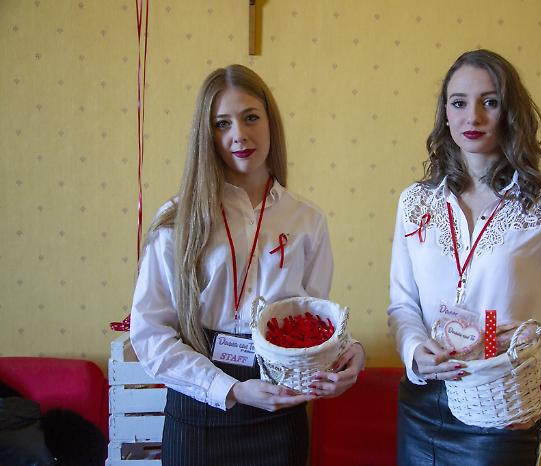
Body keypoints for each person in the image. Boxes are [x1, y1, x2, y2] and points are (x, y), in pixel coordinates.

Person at [130, 64, 365, 466]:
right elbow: (150, 333)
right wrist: (231, 390)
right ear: (206, 135)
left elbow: (311, 320)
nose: (239, 134)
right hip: (198, 410)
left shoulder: (307, 221)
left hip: (279, 411)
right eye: (222, 124)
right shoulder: (177, 220)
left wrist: (349, 352)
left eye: (250, 117)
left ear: (271, 122)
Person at [387, 49, 541, 465]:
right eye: (459, 102)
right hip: (423, 401)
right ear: (445, 115)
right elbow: (403, 303)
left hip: (502, 406)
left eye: (490, 101)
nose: (473, 116)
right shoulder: (415, 202)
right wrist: (414, 352)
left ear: (511, 112)